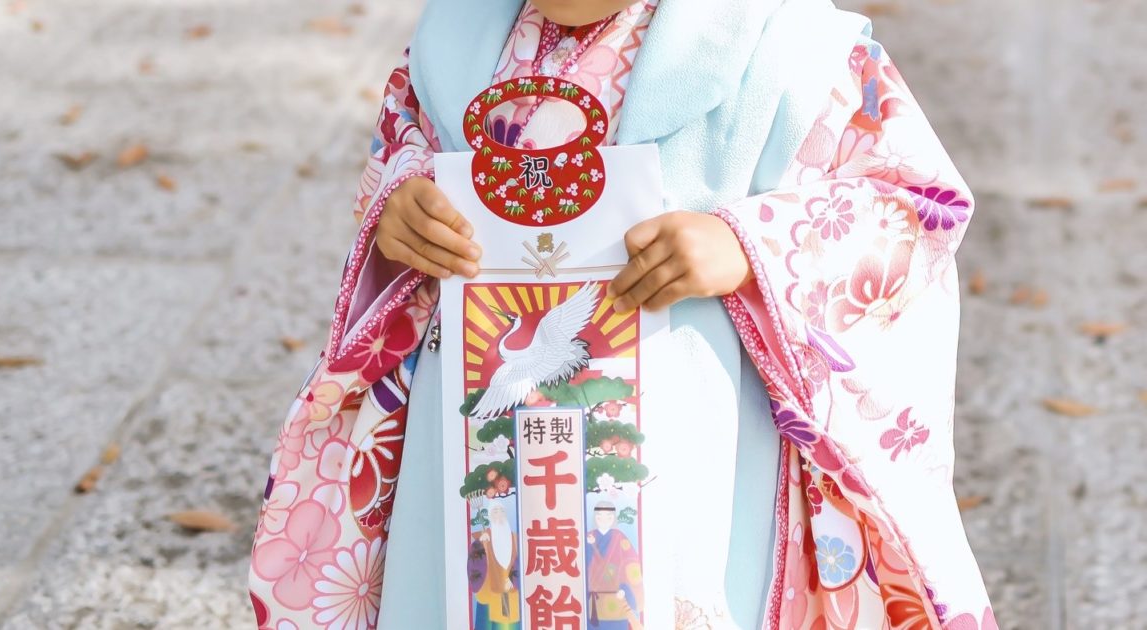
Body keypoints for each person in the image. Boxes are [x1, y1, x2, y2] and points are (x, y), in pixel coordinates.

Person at [249, 1, 998, 628]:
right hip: (476, 434)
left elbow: (910, 206)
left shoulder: (793, 52)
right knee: (482, 586)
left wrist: (748, 246)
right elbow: (403, 153)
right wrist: (402, 208)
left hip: (697, 440)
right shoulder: (454, 45)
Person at [585, 501, 643, 629]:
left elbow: (631, 564)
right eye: (599, 516)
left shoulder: (619, 537)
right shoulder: (588, 537)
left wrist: (625, 590)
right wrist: (589, 546)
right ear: (595, 518)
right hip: (594, 603)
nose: (604, 520)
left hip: (618, 598)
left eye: (608, 516)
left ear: (613, 518)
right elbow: (582, 565)